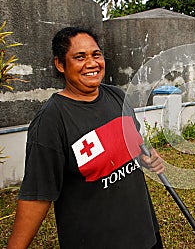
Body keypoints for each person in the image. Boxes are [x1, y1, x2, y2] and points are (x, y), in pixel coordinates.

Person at [7, 27, 165, 249]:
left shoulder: (117, 97)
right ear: (60, 64)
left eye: (96, 55)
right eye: (80, 57)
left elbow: (134, 145)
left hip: (144, 234)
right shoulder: (51, 120)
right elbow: (37, 196)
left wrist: (146, 157)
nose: (91, 63)